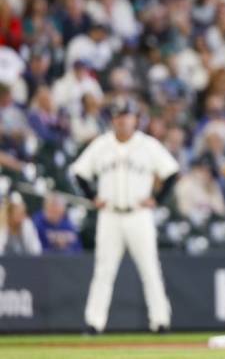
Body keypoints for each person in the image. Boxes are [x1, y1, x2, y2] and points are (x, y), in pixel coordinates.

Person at [70, 97, 179, 334]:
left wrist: (157, 200)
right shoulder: (102, 144)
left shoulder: (147, 144)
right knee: (103, 270)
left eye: (127, 116)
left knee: (150, 269)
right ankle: (94, 322)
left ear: (135, 119)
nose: (122, 120)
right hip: (110, 215)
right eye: (118, 116)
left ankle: (160, 321)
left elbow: (172, 172)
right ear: (113, 119)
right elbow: (79, 172)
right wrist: (92, 196)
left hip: (139, 215)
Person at [0, 192, 42, 256]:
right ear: (9, 214)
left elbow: (36, 250)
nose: (21, 217)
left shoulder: (28, 225)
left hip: (26, 263)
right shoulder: (2, 226)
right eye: (17, 213)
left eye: (22, 213)